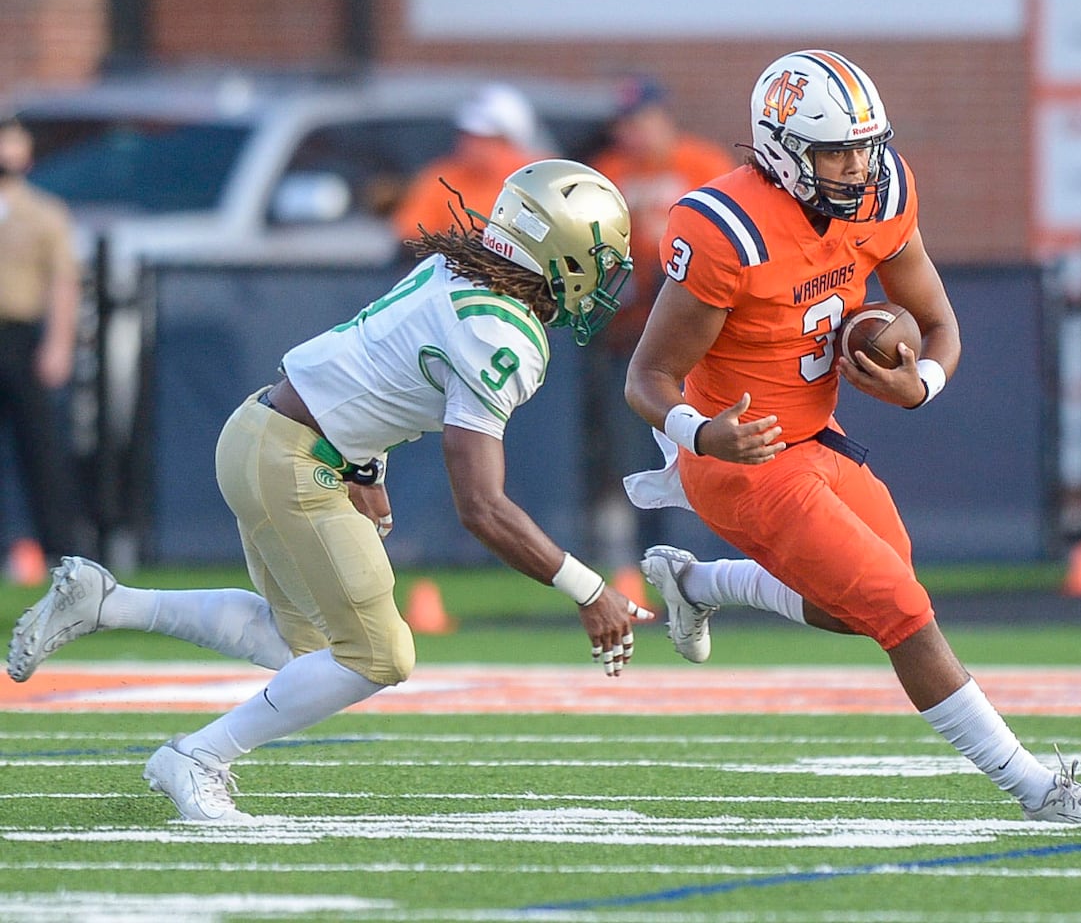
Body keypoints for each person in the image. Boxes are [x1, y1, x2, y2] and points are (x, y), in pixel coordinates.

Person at [7, 158, 652, 823]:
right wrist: (590, 588)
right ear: (561, 251)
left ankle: (106, 603)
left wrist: (366, 466)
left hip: (260, 432)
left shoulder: (458, 269)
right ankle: (197, 757)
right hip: (296, 458)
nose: (604, 277)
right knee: (380, 655)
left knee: (306, 649)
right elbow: (482, 507)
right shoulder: (502, 332)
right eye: (599, 257)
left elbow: (374, 363)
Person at [623, 49, 1081, 824]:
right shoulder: (726, 230)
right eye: (835, 150)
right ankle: (1041, 789)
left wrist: (922, 383)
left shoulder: (882, 196)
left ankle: (698, 583)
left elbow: (937, 323)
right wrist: (703, 437)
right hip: (748, 459)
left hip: (820, 440)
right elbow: (646, 379)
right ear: (779, 149)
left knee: (856, 608)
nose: (857, 166)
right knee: (902, 609)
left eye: (864, 146)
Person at [583, 77, 735, 569]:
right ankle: (649, 563)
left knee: (711, 448)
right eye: (624, 124)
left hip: (704, 341)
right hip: (632, 339)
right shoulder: (607, 173)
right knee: (638, 451)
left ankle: (720, 561)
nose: (632, 132)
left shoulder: (704, 165)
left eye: (640, 120)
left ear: (663, 116)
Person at [0, 115, 89, 582]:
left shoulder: (44, 213)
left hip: (20, 338)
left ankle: (61, 554)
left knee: (40, 452)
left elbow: (63, 282)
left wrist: (58, 343)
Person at [391, 82, 543, 241]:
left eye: (485, 139)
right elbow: (411, 236)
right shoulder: (443, 179)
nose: (470, 145)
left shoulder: (542, 180)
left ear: (511, 143)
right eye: (467, 136)